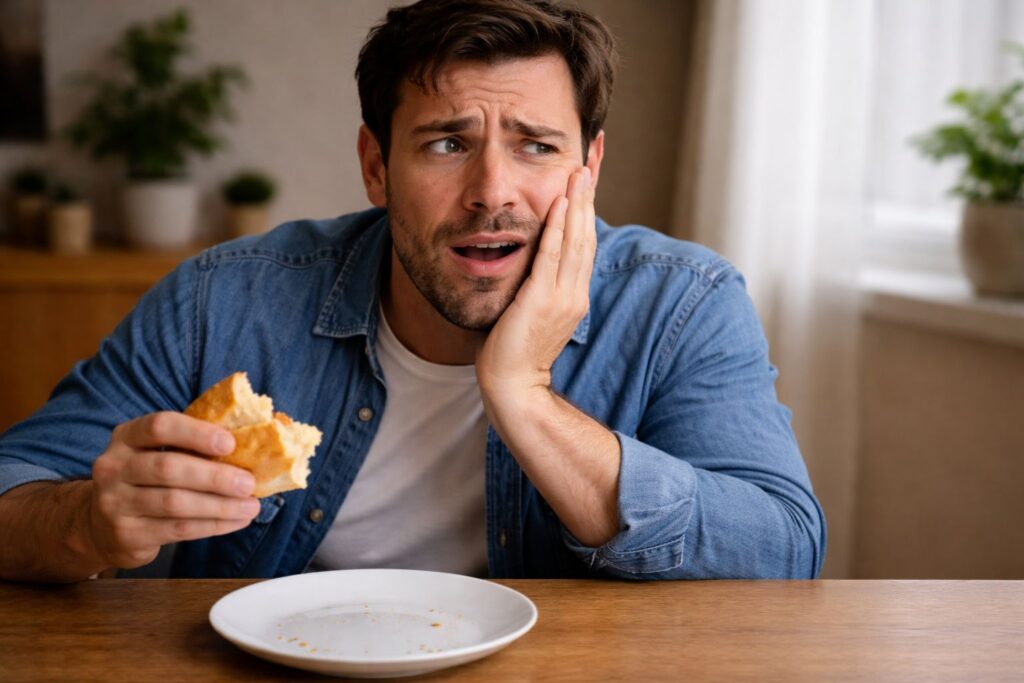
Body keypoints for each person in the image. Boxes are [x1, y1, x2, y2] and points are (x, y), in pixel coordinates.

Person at [0, 0, 825, 583]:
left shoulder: (683, 303)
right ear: (375, 166)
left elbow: (784, 549)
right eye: (445, 143)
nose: (491, 189)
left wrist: (523, 395)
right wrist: (86, 522)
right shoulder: (224, 300)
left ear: (589, 168)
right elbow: (15, 486)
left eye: (536, 146)